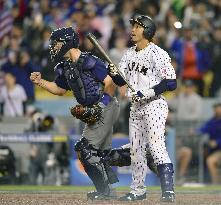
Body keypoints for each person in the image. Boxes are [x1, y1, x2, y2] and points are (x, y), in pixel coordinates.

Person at [30, 27, 120, 200]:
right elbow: (59, 89)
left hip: (105, 105)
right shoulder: (64, 67)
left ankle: (106, 192)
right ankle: (140, 156)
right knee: (102, 154)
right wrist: (40, 81)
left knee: (84, 149)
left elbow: (110, 82)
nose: (53, 47)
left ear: (67, 43)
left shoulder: (89, 61)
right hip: (93, 109)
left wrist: (101, 105)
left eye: (56, 44)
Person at [109, 15, 177, 202]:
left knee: (156, 148)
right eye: (133, 26)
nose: (133, 29)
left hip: (154, 105)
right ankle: (138, 190)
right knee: (136, 151)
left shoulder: (158, 53)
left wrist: (147, 93)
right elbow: (121, 81)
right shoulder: (129, 53)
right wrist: (114, 74)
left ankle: (168, 191)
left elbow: (171, 83)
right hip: (135, 107)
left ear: (147, 30)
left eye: (138, 26)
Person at [198, 102, 221, 184]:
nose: (217, 111)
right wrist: (194, 131)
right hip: (215, 150)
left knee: (210, 161)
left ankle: (216, 184)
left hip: (219, 149)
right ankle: (216, 184)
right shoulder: (213, 121)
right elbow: (204, 128)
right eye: (215, 109)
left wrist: (217, 142)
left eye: (218, 109)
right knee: (208, 159)